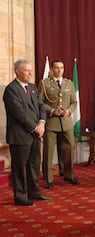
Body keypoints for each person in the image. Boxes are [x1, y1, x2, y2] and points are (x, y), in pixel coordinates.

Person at [3, 59, 51, 206]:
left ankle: (34, 191)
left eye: (31, 70)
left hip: (36, 135)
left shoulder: (33, 87)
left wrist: (42, 123)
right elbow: (20, 113)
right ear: (18, 71)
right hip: (20, 136)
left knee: (34, 164)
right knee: (19, 167)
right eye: (27, 70)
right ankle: (20, 196)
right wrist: (35, 127)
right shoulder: (11, 90)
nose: (31, 73)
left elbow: (41, 107)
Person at [38, 59, 79, 189]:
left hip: (66, 122)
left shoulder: (69, 84)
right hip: (51, 122)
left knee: (69, 148)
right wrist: (51, 111)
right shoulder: (45, 84)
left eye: (61, 67)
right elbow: (40, 103)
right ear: (51, 69)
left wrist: (69, 111)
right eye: (56, 68)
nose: (59, 70)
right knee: (49, 151)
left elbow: (74, 102)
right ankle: (48, 179)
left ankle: (69, 174)